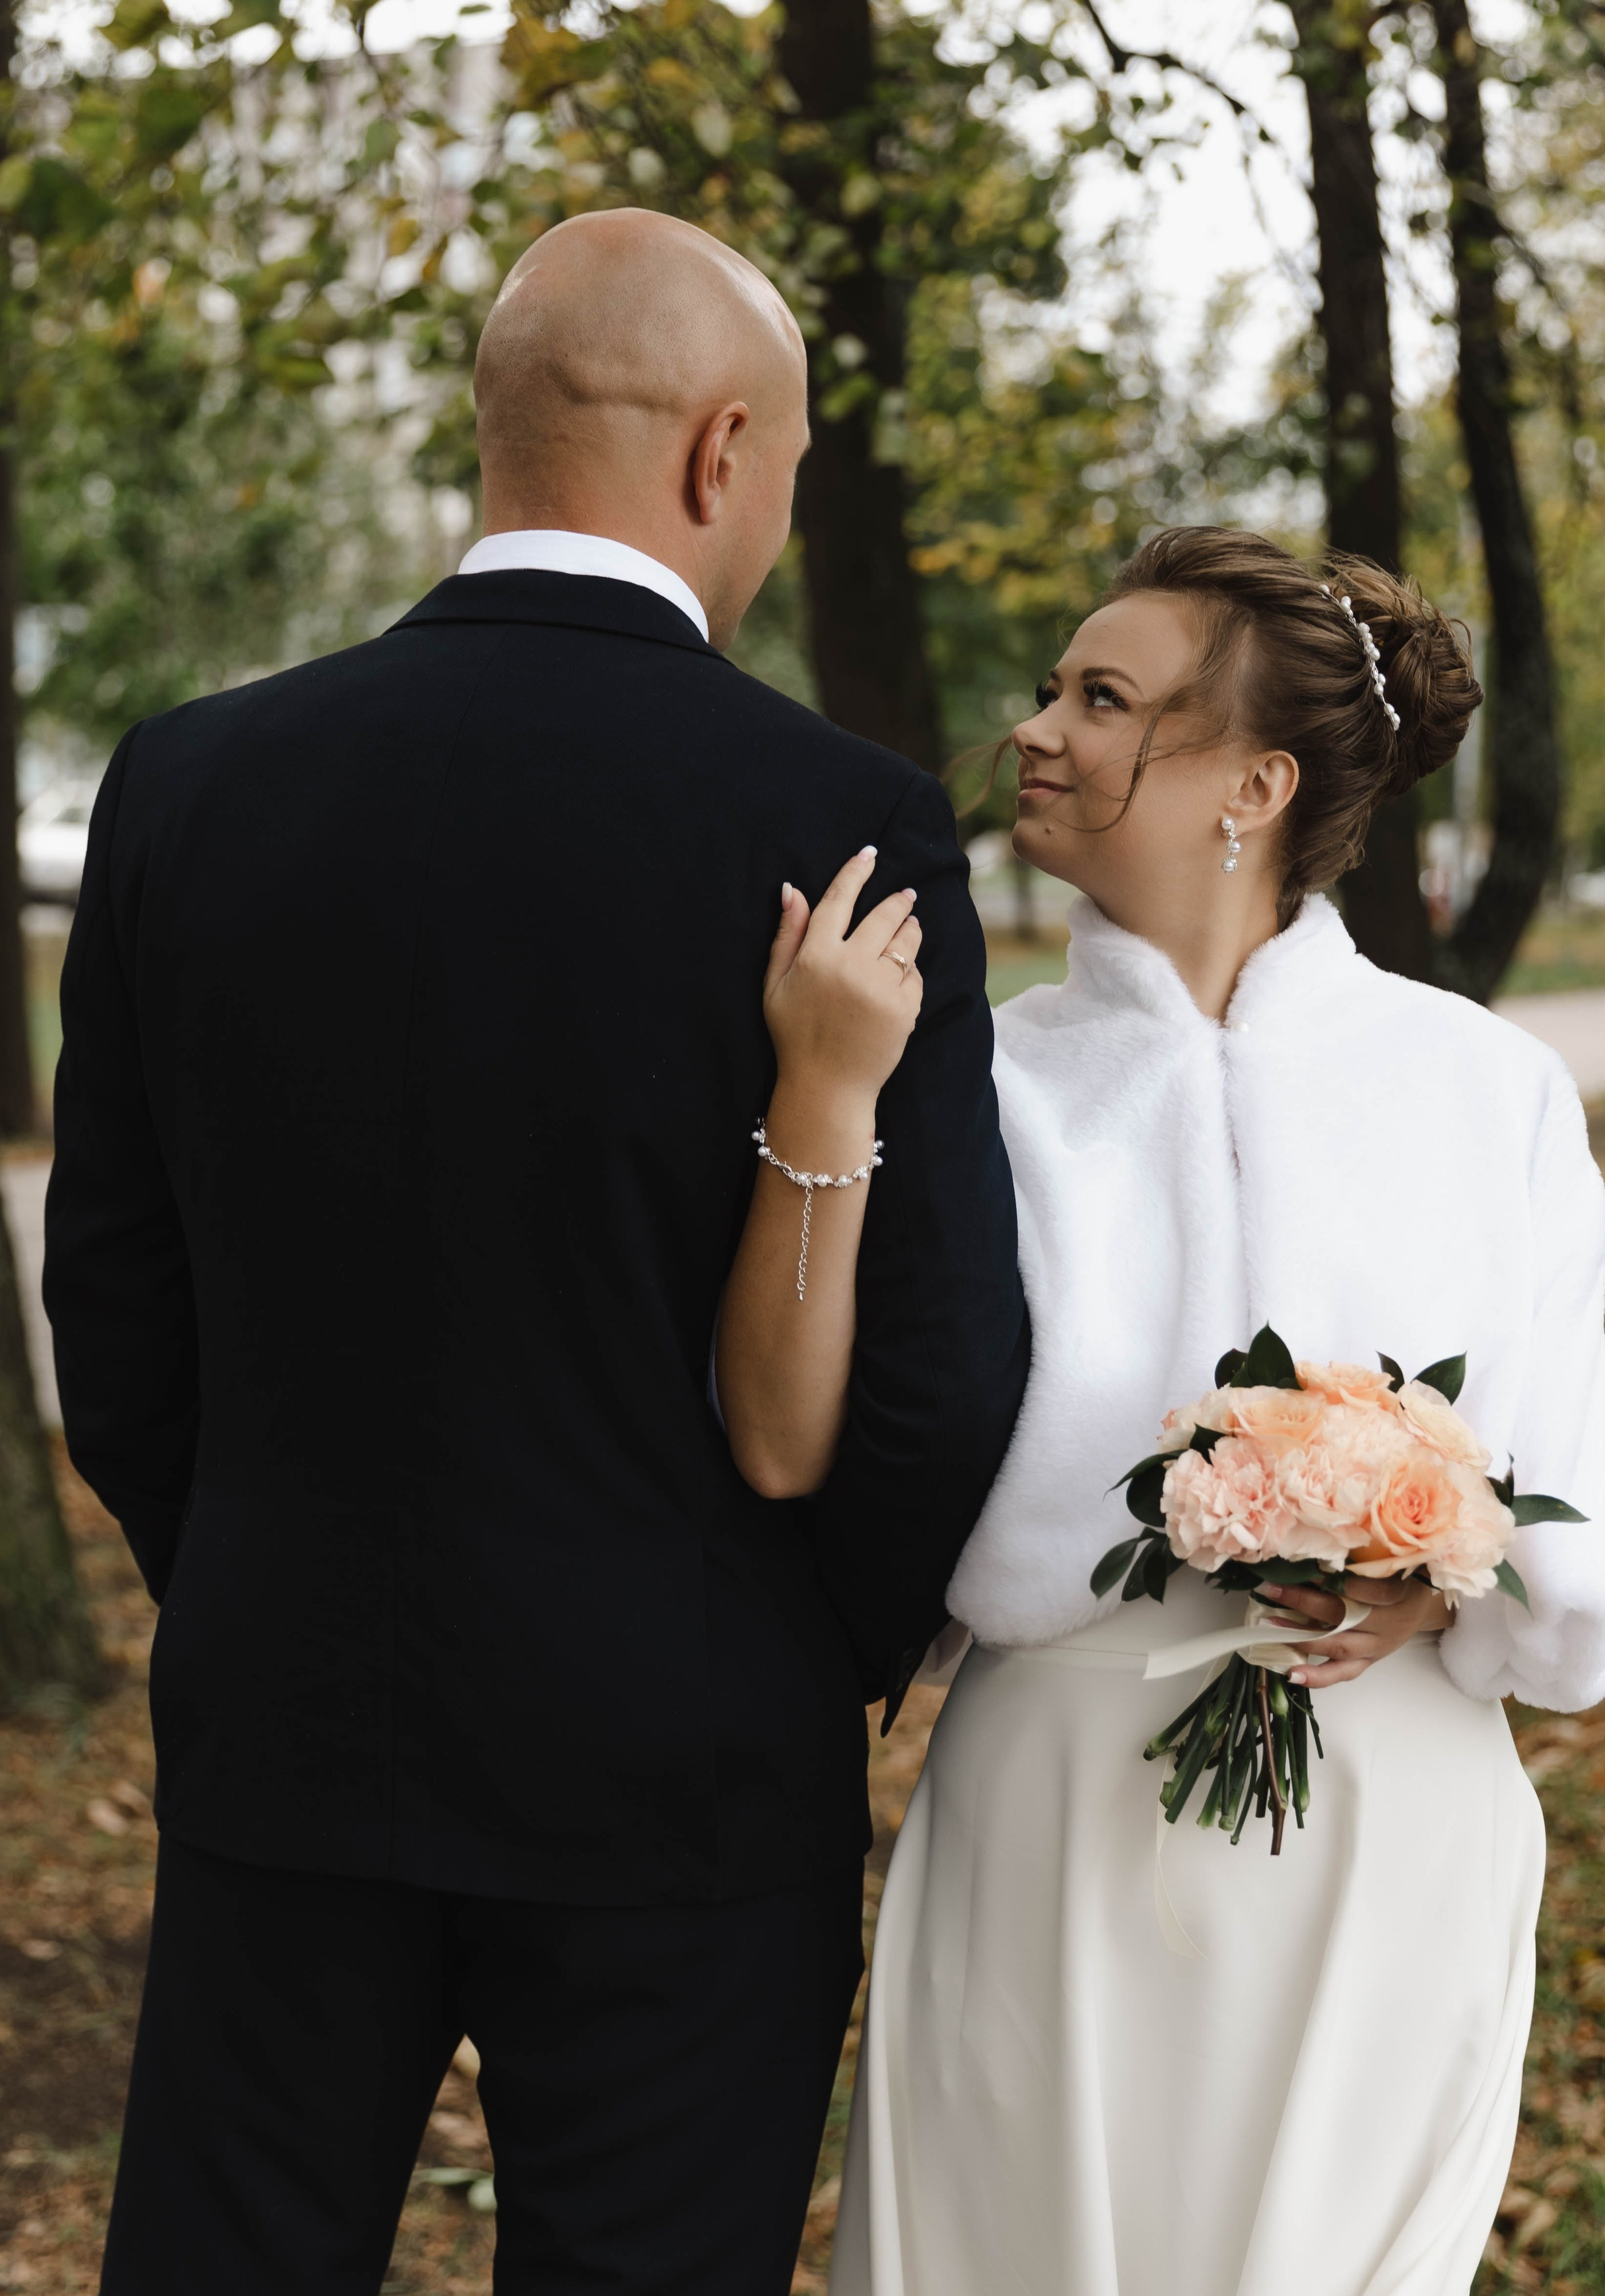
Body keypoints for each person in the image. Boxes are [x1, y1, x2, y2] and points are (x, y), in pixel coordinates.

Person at [44, 209, 1030, 2296]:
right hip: (686, 1764)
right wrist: (802, 1658)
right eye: (785, 477)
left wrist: (249, 1569)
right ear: (717, 452)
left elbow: (115, 1308)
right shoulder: (838, 819)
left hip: (290, 1725)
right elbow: (938, 1365)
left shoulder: (194, 784)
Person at [716, 525, 1605, 2296]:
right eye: (1053, 687)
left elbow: (1561, 1516)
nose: (1040, 729)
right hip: (1054, 1822)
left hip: (1389, 1829)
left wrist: (1438, 1563)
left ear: (1256, 782)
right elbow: (858, 1451)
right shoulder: (979, 1084)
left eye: (1105, 696)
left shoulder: (1490, 1094)